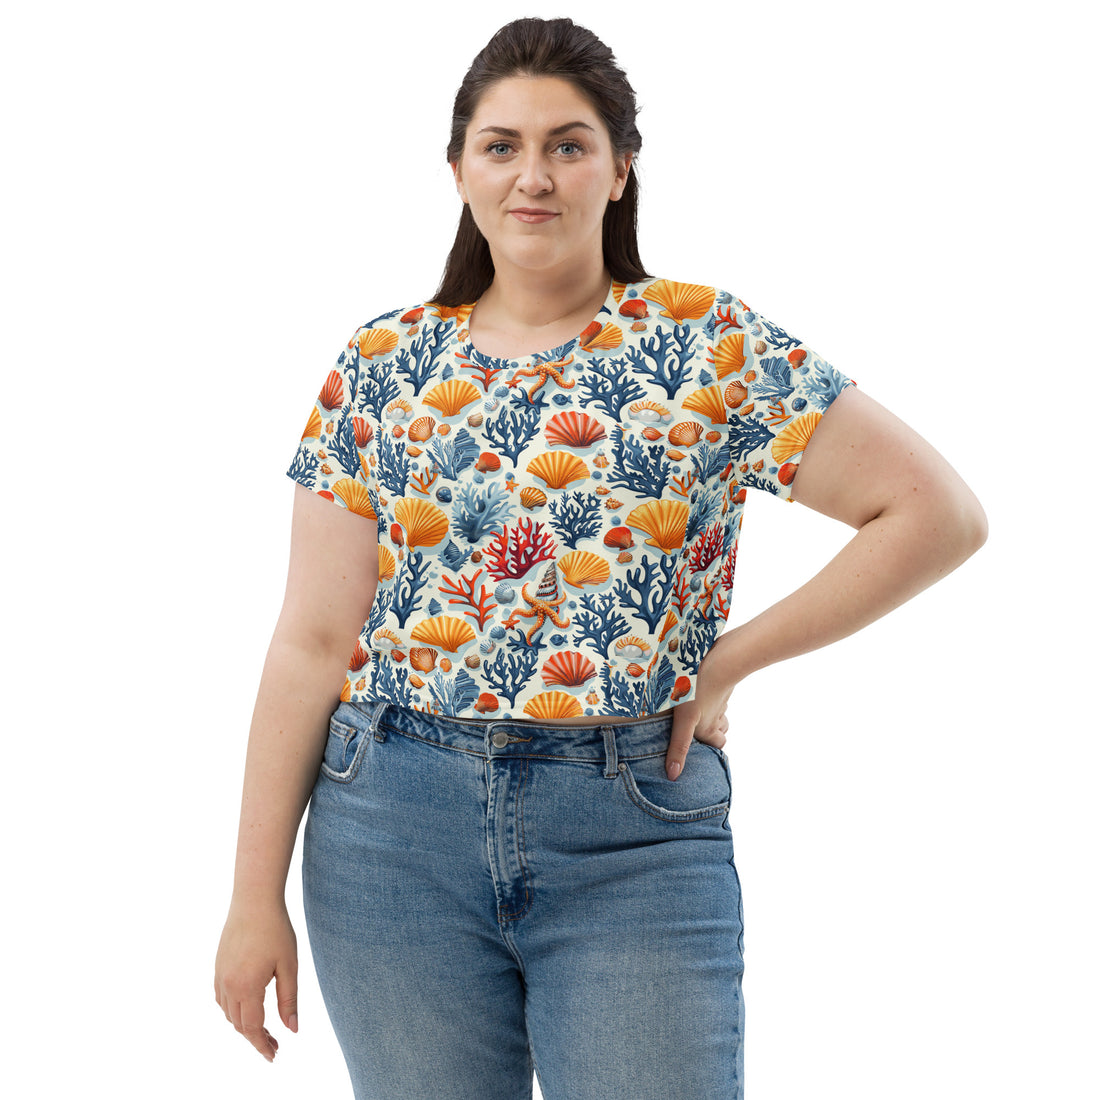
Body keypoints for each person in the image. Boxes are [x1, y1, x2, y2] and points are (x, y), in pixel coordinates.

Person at [214, 16, 987, 1099]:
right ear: (456, 169)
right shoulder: (381, 361)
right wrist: (255, 897)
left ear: (620, 168)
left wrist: (724, 660)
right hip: (388, 827)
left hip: (630, 826)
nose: (533, 175)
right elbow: (307, 639)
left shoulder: (705, 343)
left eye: (568, 145)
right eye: (502, 145)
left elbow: (933, 512)